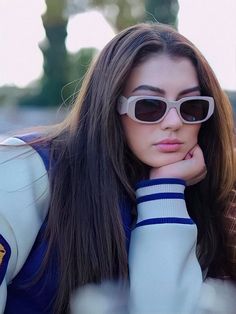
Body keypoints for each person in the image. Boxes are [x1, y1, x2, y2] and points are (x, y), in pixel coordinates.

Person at [0, 22, 236, 314]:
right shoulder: (22, 170)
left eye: (192, 107)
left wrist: (164, 193)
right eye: (149, 105)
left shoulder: (195, 197)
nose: (175, 122)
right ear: (111, 107)